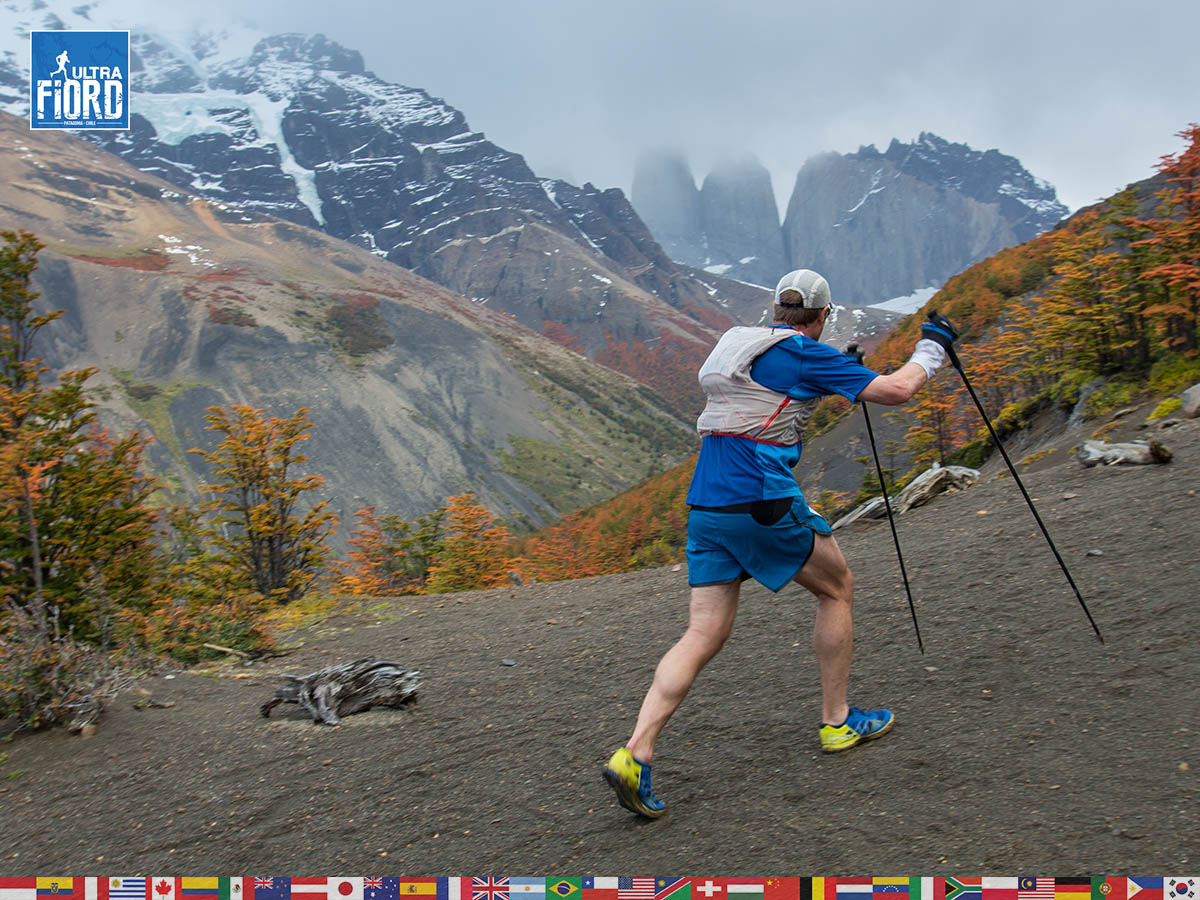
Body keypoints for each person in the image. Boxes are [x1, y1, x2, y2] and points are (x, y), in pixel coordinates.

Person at [602, 268, 958, 818]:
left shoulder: (738, 343)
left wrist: (841, 372)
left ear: (776, 310)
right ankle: (837, 723)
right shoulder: (802, 353)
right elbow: (897, 390)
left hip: (707, 505)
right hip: (760, 498)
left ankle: (635, 752)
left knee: (702, 633)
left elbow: (774, 396)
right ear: (823, 314)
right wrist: (932, 350)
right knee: (837, 589)